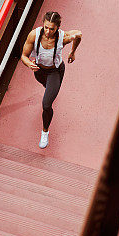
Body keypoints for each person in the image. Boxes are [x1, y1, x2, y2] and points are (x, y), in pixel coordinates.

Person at [20, 11, 82, 148]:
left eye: (52, 29)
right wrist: (28, 63)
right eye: (46, 27)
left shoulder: (63, 37)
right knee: (47, 88)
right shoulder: (34, 35)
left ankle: (45, 132)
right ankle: (49, 90)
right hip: (39, 72)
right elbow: (24, 56)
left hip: (55, 71)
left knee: (46, 105)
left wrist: (73, 52)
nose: (48, 32)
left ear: (58, 28)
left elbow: (79, 34)